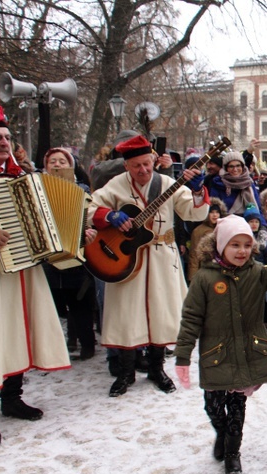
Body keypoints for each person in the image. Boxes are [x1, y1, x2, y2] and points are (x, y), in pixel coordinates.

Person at [174, 215, 267, 474]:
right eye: (235, 245)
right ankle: (222, 434)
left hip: (247, 354)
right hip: (216, 356)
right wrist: (182, 356)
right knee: (212, 406)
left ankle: (233, 454)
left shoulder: (256, 273)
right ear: (220, 246)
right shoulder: (204, 279)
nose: (242, 251)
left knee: (236, 408)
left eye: (247, 245)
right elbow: (191, 320)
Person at [87, 134, 209, 397]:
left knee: (162, 313)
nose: (142, 170)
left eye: (146, 163)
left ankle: (156, 368)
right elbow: (90, 207)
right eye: (136, 166)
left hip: (163, 257)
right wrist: (109, 215)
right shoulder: (115, 185)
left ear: (154, 159)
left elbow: (193, 212)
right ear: (126, 166)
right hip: (125, 259)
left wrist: (198, 191)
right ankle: (125, 372)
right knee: (126, 314)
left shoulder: (167, 182)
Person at [0, 106, 71, 450]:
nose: (4, 143)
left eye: (7, 137)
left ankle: (12, 397)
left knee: (20, 328)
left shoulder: (22, 173)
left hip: (24, 264)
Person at [41, 147, 98, 359]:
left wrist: (90, 231)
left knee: (80, 303)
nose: (57, 165)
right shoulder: (37, 189)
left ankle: (86, 344)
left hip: (77, 256)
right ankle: (54, 348)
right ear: (45, 166)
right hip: (48, 257)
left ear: (71, 165)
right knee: (51, 305)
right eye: (52, 161)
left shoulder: (82, 190)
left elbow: (92, 217)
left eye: (62, 161)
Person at [209, 151, 263, 218]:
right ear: (226, 168)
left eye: (238, 165)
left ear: (242, 166)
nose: (235, 169)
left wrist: (263, 226)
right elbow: (213, 210)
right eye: (231, 166)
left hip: (249, 223)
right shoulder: (218, 184)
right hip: (225, 223)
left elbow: (258, 209)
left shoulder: (249, 184)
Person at [187, 198, 227, 281]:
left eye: (217, 212)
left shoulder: (225, 228)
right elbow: (194, 255)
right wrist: (192, 277)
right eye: (211, 212)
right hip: (205, 271)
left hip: (222, 271)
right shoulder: (198, 231)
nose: (215, 215)